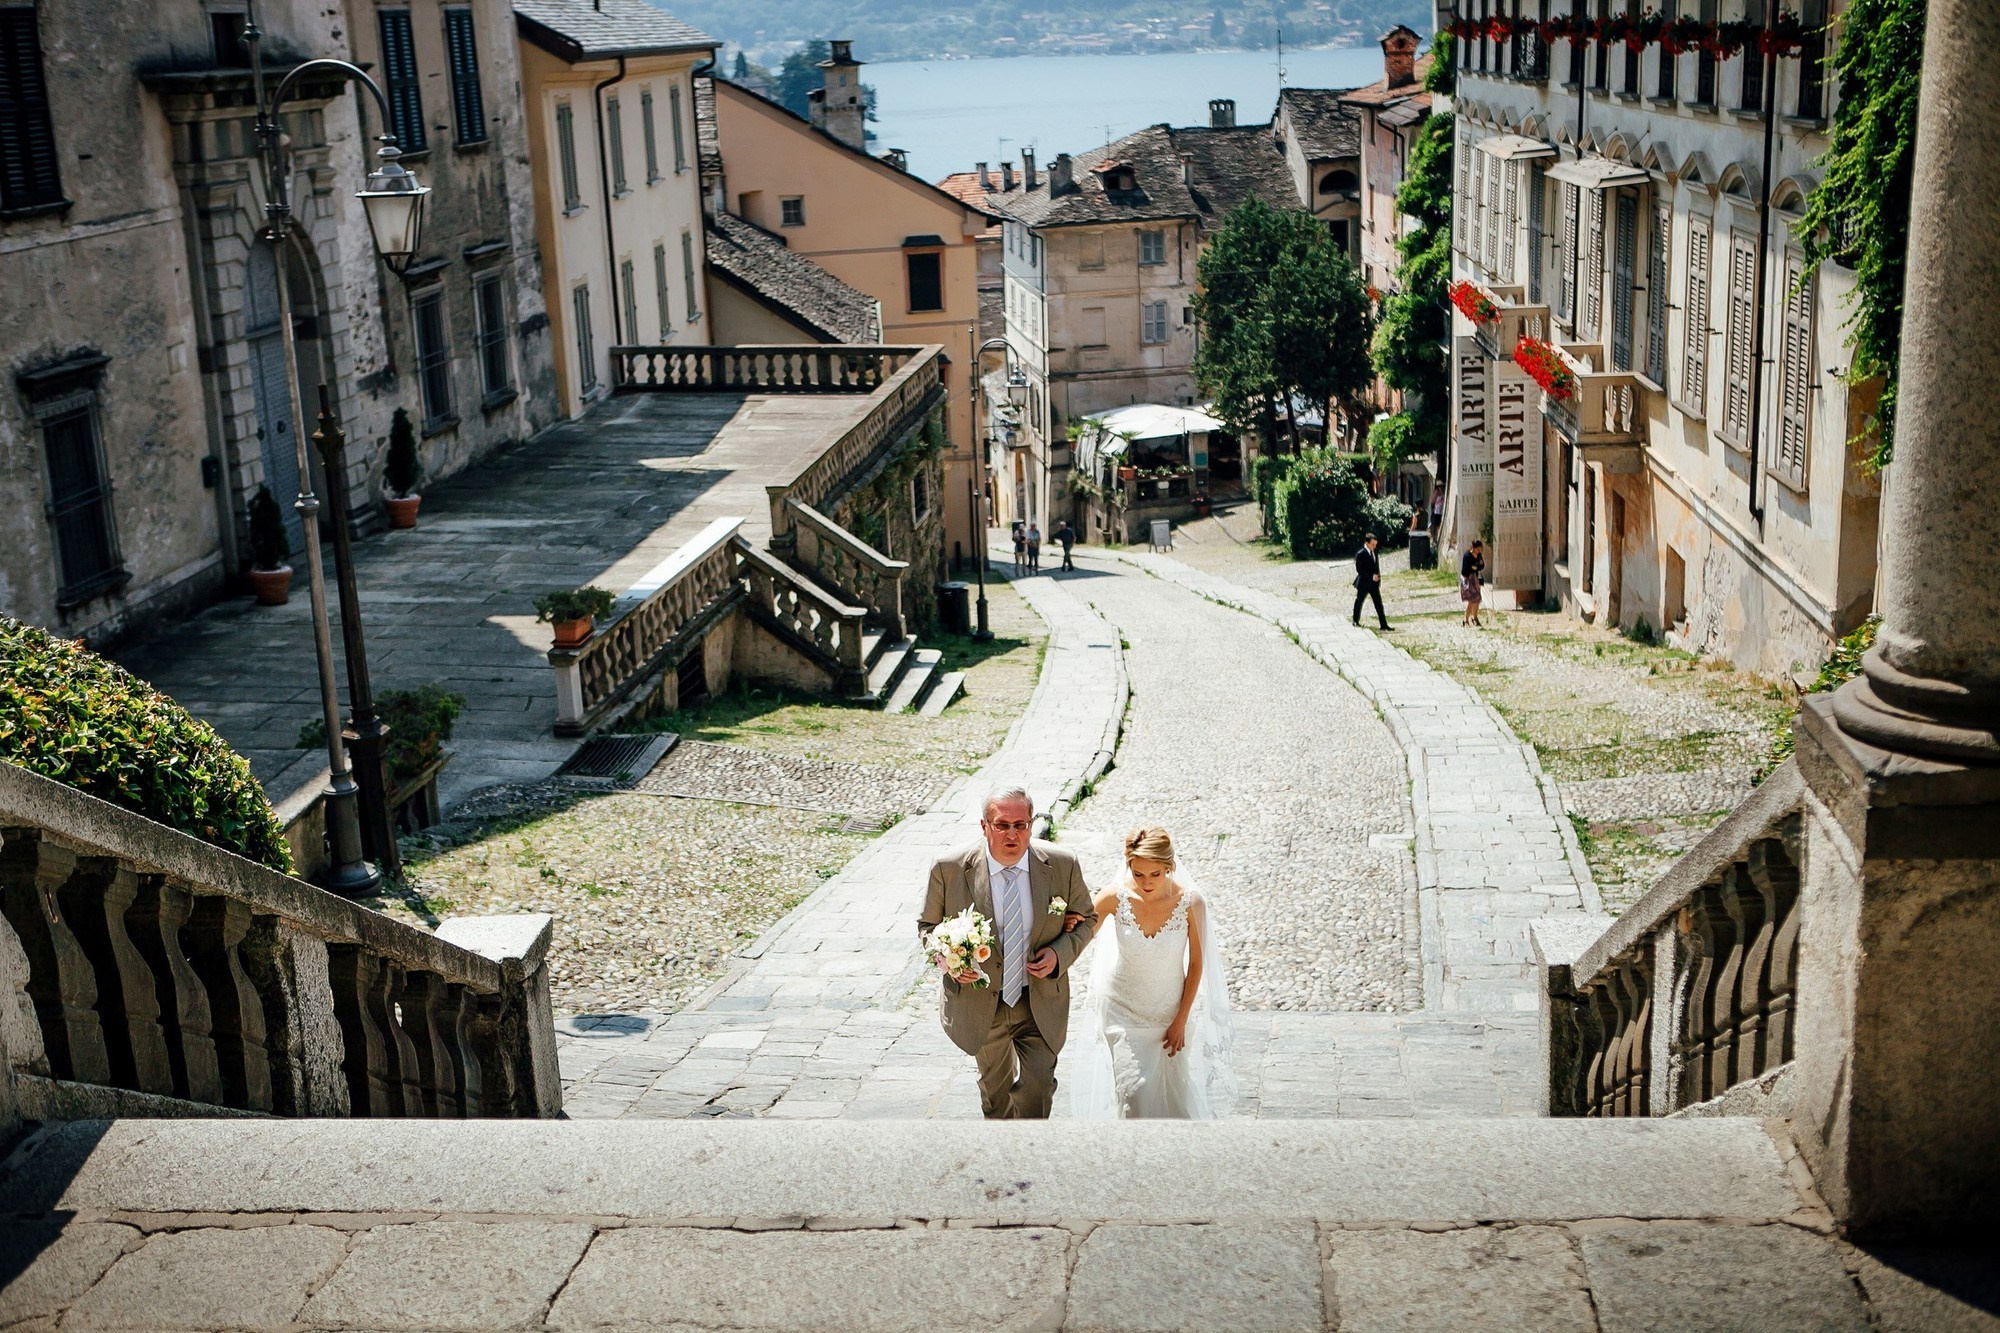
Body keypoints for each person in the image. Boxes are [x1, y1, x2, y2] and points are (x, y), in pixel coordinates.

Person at [918, 787, 1097, 1119]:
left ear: (1031, 824)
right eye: (1002, 825)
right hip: (982, 1002)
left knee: (1039, 1086)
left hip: (1039, 1000)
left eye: (1021, 824)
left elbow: (1087, 919)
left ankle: (1029, 1153)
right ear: (985, 826)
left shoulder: (1061, 864)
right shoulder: (949, 868)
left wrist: (1059, 954)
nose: (1013, 834)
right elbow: (928, 927)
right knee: (996, 1094)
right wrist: (952, 962)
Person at [1065, 825, 1235, 1119]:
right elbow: (1078, 939)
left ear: (1169, 867)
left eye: (1155, 874)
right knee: (1135, 1095)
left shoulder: (1191, 903)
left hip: (1169, 1013)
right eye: (1138, 873)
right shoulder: (1112, 898)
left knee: (1171, 1100)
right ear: (1128, 865)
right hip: (1122, 1011)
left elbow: (1195, 965)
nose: (1146, 882)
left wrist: (1180, 1020)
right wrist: (1066, 930)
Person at [1352, 533, 1391, 631]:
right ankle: (1355, 620)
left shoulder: (1375, 552)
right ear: (1367, 543)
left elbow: (1376, 566)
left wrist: (1378, 577)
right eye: (1373, 544)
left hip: (1373, 584)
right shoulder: (1361, 554)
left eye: (1375, 544)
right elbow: (1360, 570)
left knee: (1378, 603)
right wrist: (1371, 576)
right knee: (1359, 601)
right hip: (1364, 582)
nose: (1374, 546)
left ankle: (1383, 624)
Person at [1461, 539, 1486, 627]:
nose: (1479, 551)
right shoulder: (1467, 555)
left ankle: (1475, 618)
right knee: (1472, 600)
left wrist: (1476, 567)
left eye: (1480, 549)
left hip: (1475, 579)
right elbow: (1465, 569)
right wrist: (1473, 568)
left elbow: (1482, 565)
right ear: (1473, 548)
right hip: (1468, 579)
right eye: (1478, 549)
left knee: (1477, 600)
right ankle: (1466, 619)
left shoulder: (1479, 555)